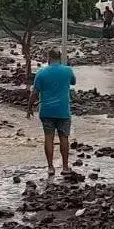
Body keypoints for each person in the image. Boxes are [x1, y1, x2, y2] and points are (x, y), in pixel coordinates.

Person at [30, 48, 77, 177]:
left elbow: (35, 92)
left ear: (48, 58)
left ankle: (50, 167)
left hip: (46, 111)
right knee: (64, 138)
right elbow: (73, 82)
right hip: (63, 110)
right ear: (60, 58)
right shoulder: (67, 70)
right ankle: (65, 167)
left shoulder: (41, 72)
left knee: (48, 138)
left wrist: (29, 107)